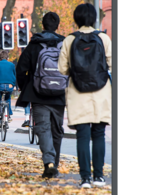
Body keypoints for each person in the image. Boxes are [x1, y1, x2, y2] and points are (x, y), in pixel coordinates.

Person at [58, 3, 112, 188]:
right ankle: (99, 177)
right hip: (101, 91)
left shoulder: (69, 40)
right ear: (94, 18)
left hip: (78, 92)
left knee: (83, 135)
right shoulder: (103, 38)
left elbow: (62, 69)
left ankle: (85, 179)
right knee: (99, 134)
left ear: (77, 18)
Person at [15, 12, 66, 179]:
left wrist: (27, 87)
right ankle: (54, 165)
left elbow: (21, 69)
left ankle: (49, 163)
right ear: (57, 26)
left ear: (42, 26)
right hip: (59, 95)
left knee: (43, 129)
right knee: (57, 131)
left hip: (37, 95)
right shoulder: (64, 44)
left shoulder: (34, 44)